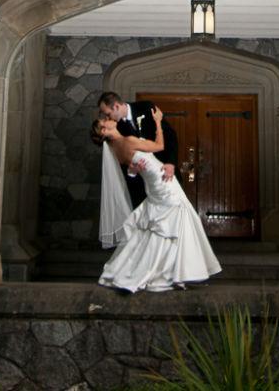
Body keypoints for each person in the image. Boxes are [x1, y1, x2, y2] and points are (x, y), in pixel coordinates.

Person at [94, 108, 221, 293]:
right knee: (175, 222)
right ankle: (172, 273)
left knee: (165, 226)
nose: (107, 119)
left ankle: (174, 272)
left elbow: (131, 169)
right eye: (103, 121)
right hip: (162, 180)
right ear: (104, 131)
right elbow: (160, 146)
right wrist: (159, 122)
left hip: (153, 183)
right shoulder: (128, 141)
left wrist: (134, 170)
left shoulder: (115, 149)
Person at [94, 91, 180, 208]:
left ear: (116, 106)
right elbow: (122, 163)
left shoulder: (146, 107)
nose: (108, 118)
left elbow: (170, 135)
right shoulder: (115, 129)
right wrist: (131, 171)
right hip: (143, 186)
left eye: (108, 114)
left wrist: (170, 163)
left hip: (165, 173)